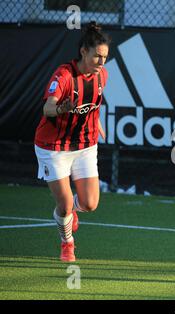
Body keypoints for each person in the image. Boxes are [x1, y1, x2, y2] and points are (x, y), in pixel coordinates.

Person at [34, 21, 110, 262]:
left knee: (89, 203)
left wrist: (96, 123)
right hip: (53, 147)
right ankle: (67, 243)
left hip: (85, 145)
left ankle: (72, 212)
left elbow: (93, 103)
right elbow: (47, 108)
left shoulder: (102, 75)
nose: (102, 62)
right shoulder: (64, 75)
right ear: (84, 52)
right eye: (97, 56)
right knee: (65, 205)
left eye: (105, 57)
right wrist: (60, 108)